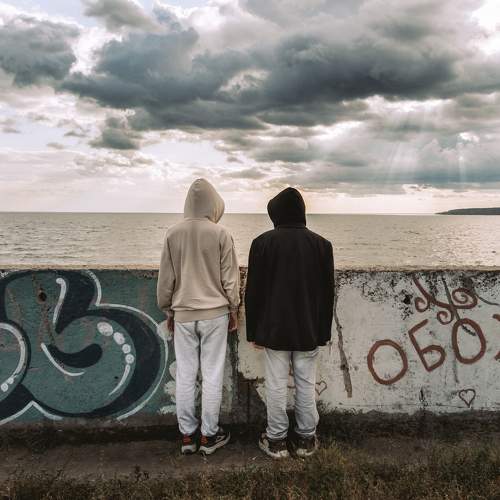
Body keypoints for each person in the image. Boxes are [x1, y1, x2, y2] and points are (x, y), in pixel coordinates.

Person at [245, 187, 334, 459]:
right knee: (306, 383)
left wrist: (253, 332)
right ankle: (306, 439)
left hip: (274, 330)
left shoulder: (262, 243)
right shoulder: (322, 245)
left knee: (275, 384)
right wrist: (323, 332)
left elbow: (253, 292)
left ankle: (276, 440)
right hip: (308, 329)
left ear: (276, 214)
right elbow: (327, 294)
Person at [157, 178, 240, 456]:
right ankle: (208, 436)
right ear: (213, 204)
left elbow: (166, 280)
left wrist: (168, 310)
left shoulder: (172, 234)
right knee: (212, 374)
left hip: (183, 315)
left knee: (185, 374)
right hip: (215, 314)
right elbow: (230, 280)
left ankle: (187, 436)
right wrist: (234, 309)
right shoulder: (221, 233)